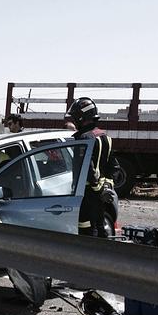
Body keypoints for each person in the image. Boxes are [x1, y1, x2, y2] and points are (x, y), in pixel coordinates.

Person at [65, 97, 120, 237]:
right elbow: (114, 167)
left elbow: (86, 168)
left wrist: (96, 187)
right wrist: (107, 187)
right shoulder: (105, 137)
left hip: (86, 195)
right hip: (101, 197)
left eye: (75, 117)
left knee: (86, 231)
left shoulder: (83, 139)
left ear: (81, 117)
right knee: (100, 228)